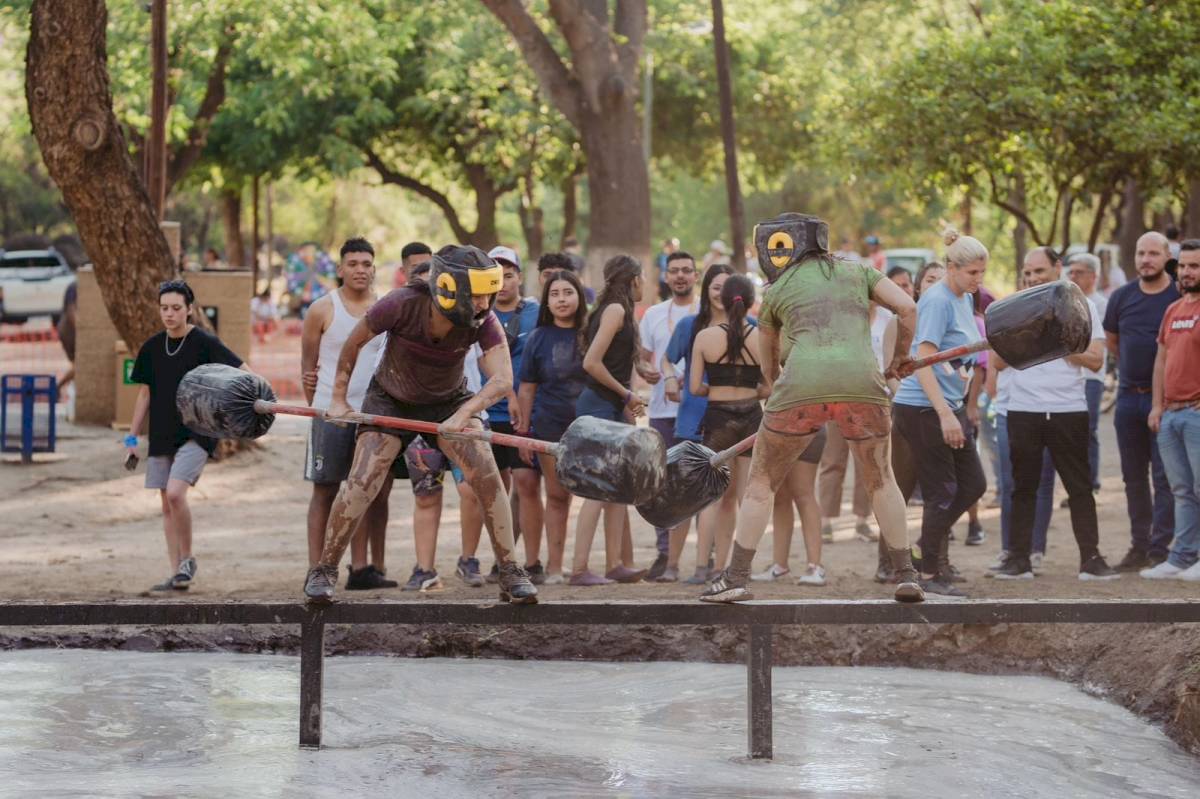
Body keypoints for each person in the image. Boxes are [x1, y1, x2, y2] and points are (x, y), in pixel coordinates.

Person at [700, 212, 923, 604]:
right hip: (862, 384)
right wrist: (899, 359)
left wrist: (773, 389)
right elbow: (907, 308)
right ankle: (906, 573)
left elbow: (768, 359)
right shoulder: (861, 272)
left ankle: (735, 577)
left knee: (761, 483)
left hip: (800, 387)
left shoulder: (778, 288)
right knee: (881, 479)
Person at [302, 245, 537, 605]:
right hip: (390, 397)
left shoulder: (483, 319)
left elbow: (502, 379)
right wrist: (338, 399)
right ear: (447, 288)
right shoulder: (399, 303)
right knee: (363, 479)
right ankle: (325, 570)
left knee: (486, 472)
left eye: (488, 296)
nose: (484, 304)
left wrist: (464, 416)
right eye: (476, 296)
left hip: (450, 400)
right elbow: (355, 342)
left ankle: (510, 571)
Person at [991, 247, 1117, 580]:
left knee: (1079, 487)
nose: (1033, 278)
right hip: (1024, 409)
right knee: (1023, 488)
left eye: (1040, 271)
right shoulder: (1013, 308)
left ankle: (1091, 559)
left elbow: (1095, 360)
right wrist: (1034, 337)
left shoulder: (1084, 305)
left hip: (1067, 410)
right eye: (1028, 272)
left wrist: (1061, 340)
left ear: (1057, 268)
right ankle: (1019, 560)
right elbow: (999, 361)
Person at [126, 280, 247, 592]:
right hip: (161, 433)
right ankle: (176, 572)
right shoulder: (152, 347)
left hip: (198, 433)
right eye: (164, 308)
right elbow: (144, 395)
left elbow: (242, 370)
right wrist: (131, 439)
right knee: (166, 504)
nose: (169, 314)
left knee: (177, 492)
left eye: (176, 308)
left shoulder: (204, 342)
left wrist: (253, 399)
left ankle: (188, 559)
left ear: (189, 310)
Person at [889, 227, 990, 597]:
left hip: (951, 406)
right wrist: (945, 415)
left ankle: (922, 548)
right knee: (942, 490)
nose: (979, 280)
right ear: (951, 267)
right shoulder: (937, 300)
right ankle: (929, 573)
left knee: (974, 484)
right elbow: (923, 362)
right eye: (972, 273)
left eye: (982, 272)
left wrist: (956, 409)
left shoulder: (964, 298)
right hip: (922, 409)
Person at [300, 239, 396, 590]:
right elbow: (307, 366)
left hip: (374, 415)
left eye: (366, 263)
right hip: (330, 411)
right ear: (340, 269)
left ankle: (360, 569)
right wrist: (319, 408)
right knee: (325, 490)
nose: (360, 269)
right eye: (352, 263)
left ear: (374, 268)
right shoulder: (322, 309)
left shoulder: (387, 309)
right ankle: (317, 570)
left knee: (366, 491)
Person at [570, 255, 651, 585]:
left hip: (613, 405)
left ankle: (615, 564)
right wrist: (628, 395)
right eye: (642, 278)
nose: (644, 283)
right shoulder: (616, 310)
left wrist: (638, 377)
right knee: (598, 490)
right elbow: (591, 362)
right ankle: (578, 569)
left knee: (618, 490)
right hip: (599, 404)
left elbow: (614, 359)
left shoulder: (619, 310)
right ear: (633, 280)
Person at [1104, 231, 1180, 571]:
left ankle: (1159, 548)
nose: (1145, 259)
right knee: (1132, 478)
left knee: (1164, 478)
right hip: (1127, 400)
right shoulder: (1121, 297)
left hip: (1165, 401)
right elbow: (1113, 342)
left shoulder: (1178, 296)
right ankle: (1138, 545)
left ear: (1166, 257)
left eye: (1152, 253)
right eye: (1140, 253)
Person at [661, 263, 736, 582]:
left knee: (724, 498)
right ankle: (672, 565)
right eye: (715, 287)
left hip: (732, 421)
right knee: (684, 496)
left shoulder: (747, 327)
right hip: (691, 419)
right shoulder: (689, 325)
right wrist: (668, 379)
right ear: (706, 290)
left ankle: (715, 567)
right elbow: (668, 358)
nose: (721, 294)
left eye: (727, 288)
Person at [690, 274, 767, 578]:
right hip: (751, 418)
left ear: (722, 301)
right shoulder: (761, 338)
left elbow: (695, 387)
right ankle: (737, 568)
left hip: (718, 418)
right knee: (746, 496)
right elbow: (773, 386)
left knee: (711, 496)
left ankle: (702, 567)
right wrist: (751, 391)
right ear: (751, 302)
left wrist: (718, 390)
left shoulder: (705, 337)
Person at [517, 269, 589, 584]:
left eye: (568, 293)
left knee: (598, 497)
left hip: (590, 428)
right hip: (549, 426)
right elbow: (527, 388)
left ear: (579, 296)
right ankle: (555, 568)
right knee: (557, 495)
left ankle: (590, 565)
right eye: (555, 294)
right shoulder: (538, 337)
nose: (561, 300)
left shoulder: (592, 334)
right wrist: (523, 435)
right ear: (547, 300)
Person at [478, 246, 545, 582]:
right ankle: (503, 560)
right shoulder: (476, 314)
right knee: (495, 490)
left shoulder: (536, 312)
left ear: (520, 277)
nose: (503, 282)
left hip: (527, 413)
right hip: (488, 413)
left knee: (528, 483)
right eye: (496, 276)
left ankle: (533, 563)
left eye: (509, 274)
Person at [1143, 240, 1200, 581]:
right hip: (1170, 415)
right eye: (1183, 266)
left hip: (1196, 414)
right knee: (1180, 490)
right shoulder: (1173, 311)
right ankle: (1181, 557)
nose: (1187, 272)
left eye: (1194, 266)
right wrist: (1156, 406)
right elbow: (1161, 361)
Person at [639, 250, 696, 579]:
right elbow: (644, 359)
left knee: (701, 479)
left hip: (702, 409)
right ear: (665, 276)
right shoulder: (653, 315)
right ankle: (664, 554)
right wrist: (647, 372)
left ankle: (706, 555)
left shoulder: (707, 311)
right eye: (674, 271)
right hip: (662, 409)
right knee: (661, 484)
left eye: (686, 270)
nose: (680, 276)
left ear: (695, 276)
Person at [1067, 252, 1109, 491]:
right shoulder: (1067, 301)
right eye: (1071, 272)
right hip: (1071, 376)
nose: (1073, 277)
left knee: (1088, 429)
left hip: (1092, 377)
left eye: (1079, 272)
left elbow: (1098, 342)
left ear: (1093, 276)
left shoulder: (1100, 305)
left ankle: (1090, 482)